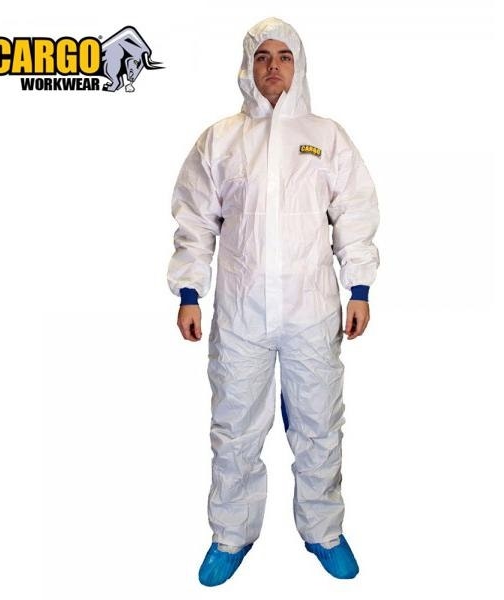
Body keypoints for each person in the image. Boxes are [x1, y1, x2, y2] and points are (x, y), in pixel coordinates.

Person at [167, 16, 380, 585]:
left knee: (319, 424)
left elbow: (354, 213)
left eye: (284, 57)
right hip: (242, 312)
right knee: (234, 427)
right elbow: (195, 220)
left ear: (298, 65)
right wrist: (189, 291)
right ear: (248, 66)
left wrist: (359, 286)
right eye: (263, 57)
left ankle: (324, 531)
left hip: (312, 309)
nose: (273, 67)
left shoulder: (326, 136)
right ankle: (231, 534)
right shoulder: (221, 139)